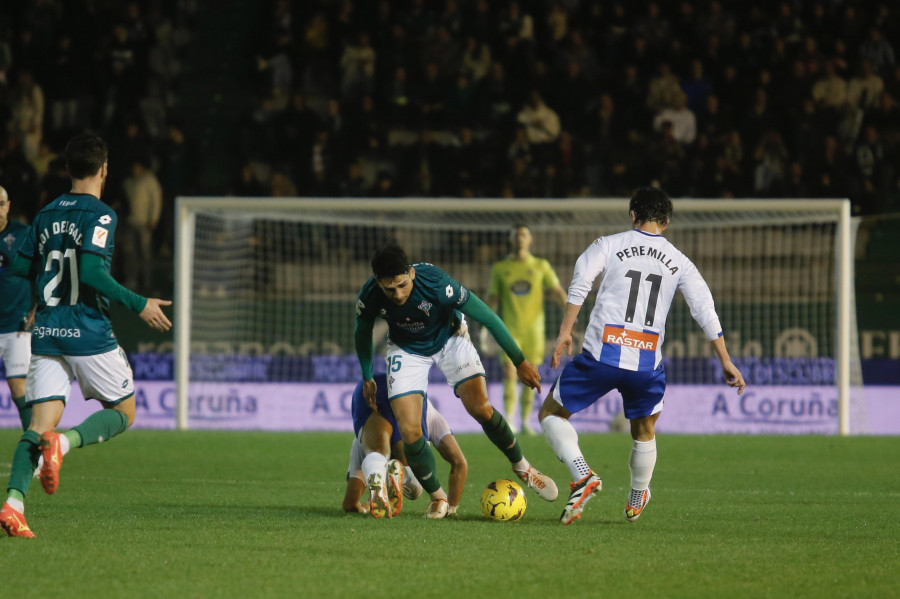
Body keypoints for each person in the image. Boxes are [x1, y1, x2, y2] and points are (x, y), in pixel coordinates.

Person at [539, 187, 745, 525]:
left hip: (602, 356)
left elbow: (581, 282)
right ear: (666, 222)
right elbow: (703, 308)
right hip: (646, 363)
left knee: (551, 414)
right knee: (644, 428)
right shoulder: (680, 260)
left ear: (633, 215)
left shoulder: (608, 244)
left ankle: (582, 474)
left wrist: (565, 331)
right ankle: (637, 496)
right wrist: (724, 358)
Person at [0, 132, 172, 538]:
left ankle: (12, 503)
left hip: (46, 333)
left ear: (66, 169)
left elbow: (22, 267)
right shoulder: (102, 215)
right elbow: (93, 272)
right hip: (87, 331)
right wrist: (139, 303)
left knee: (38, 424)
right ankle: (66, 444)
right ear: (104, 170)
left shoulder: (43, 214)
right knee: (124, 413)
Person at [355, 243, 558, 519]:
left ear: (411, 274)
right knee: (410, 430)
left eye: (402, 285)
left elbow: (487, 316)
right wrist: (367, 376)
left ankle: (523, 468)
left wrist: (519, 360)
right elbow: (362, 331)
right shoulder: (370, 295)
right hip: (406, 349)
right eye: (389, 289)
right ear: (378, 282)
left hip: (451, 338)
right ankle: (437, 497)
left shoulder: (437, 283)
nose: (398, 294)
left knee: (480, 408)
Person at [342, 373, 467, 518]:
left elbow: (349, 503)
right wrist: (450, 506)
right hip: (409, 397)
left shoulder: (360, 442)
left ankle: (377, 472)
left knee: (375, 453)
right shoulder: (432, 416)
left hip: (372, 387)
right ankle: (402, 476)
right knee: (416, 489)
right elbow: (460, 463)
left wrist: (358, 506)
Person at [486, 224, 566, 435]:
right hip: (509, 329)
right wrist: (485, 325)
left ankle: (525, 422)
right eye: (517, 235)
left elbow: (557, 291)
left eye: (524, 235)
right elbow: (493, 298)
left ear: (530, 240)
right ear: (512, 239)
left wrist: (570, 316)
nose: (520, 238)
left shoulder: (540, 266)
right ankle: (510, 420)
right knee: (510, 372)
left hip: (534, 331)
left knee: (532, 375)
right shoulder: (500, 268)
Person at [0, 186, 35, 430]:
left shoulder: (22, 234)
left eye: (0, 204)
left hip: (17, 325)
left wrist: (39, 305)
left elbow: (47, 270)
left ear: (8, 205)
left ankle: (34, 453)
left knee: (19, 387)